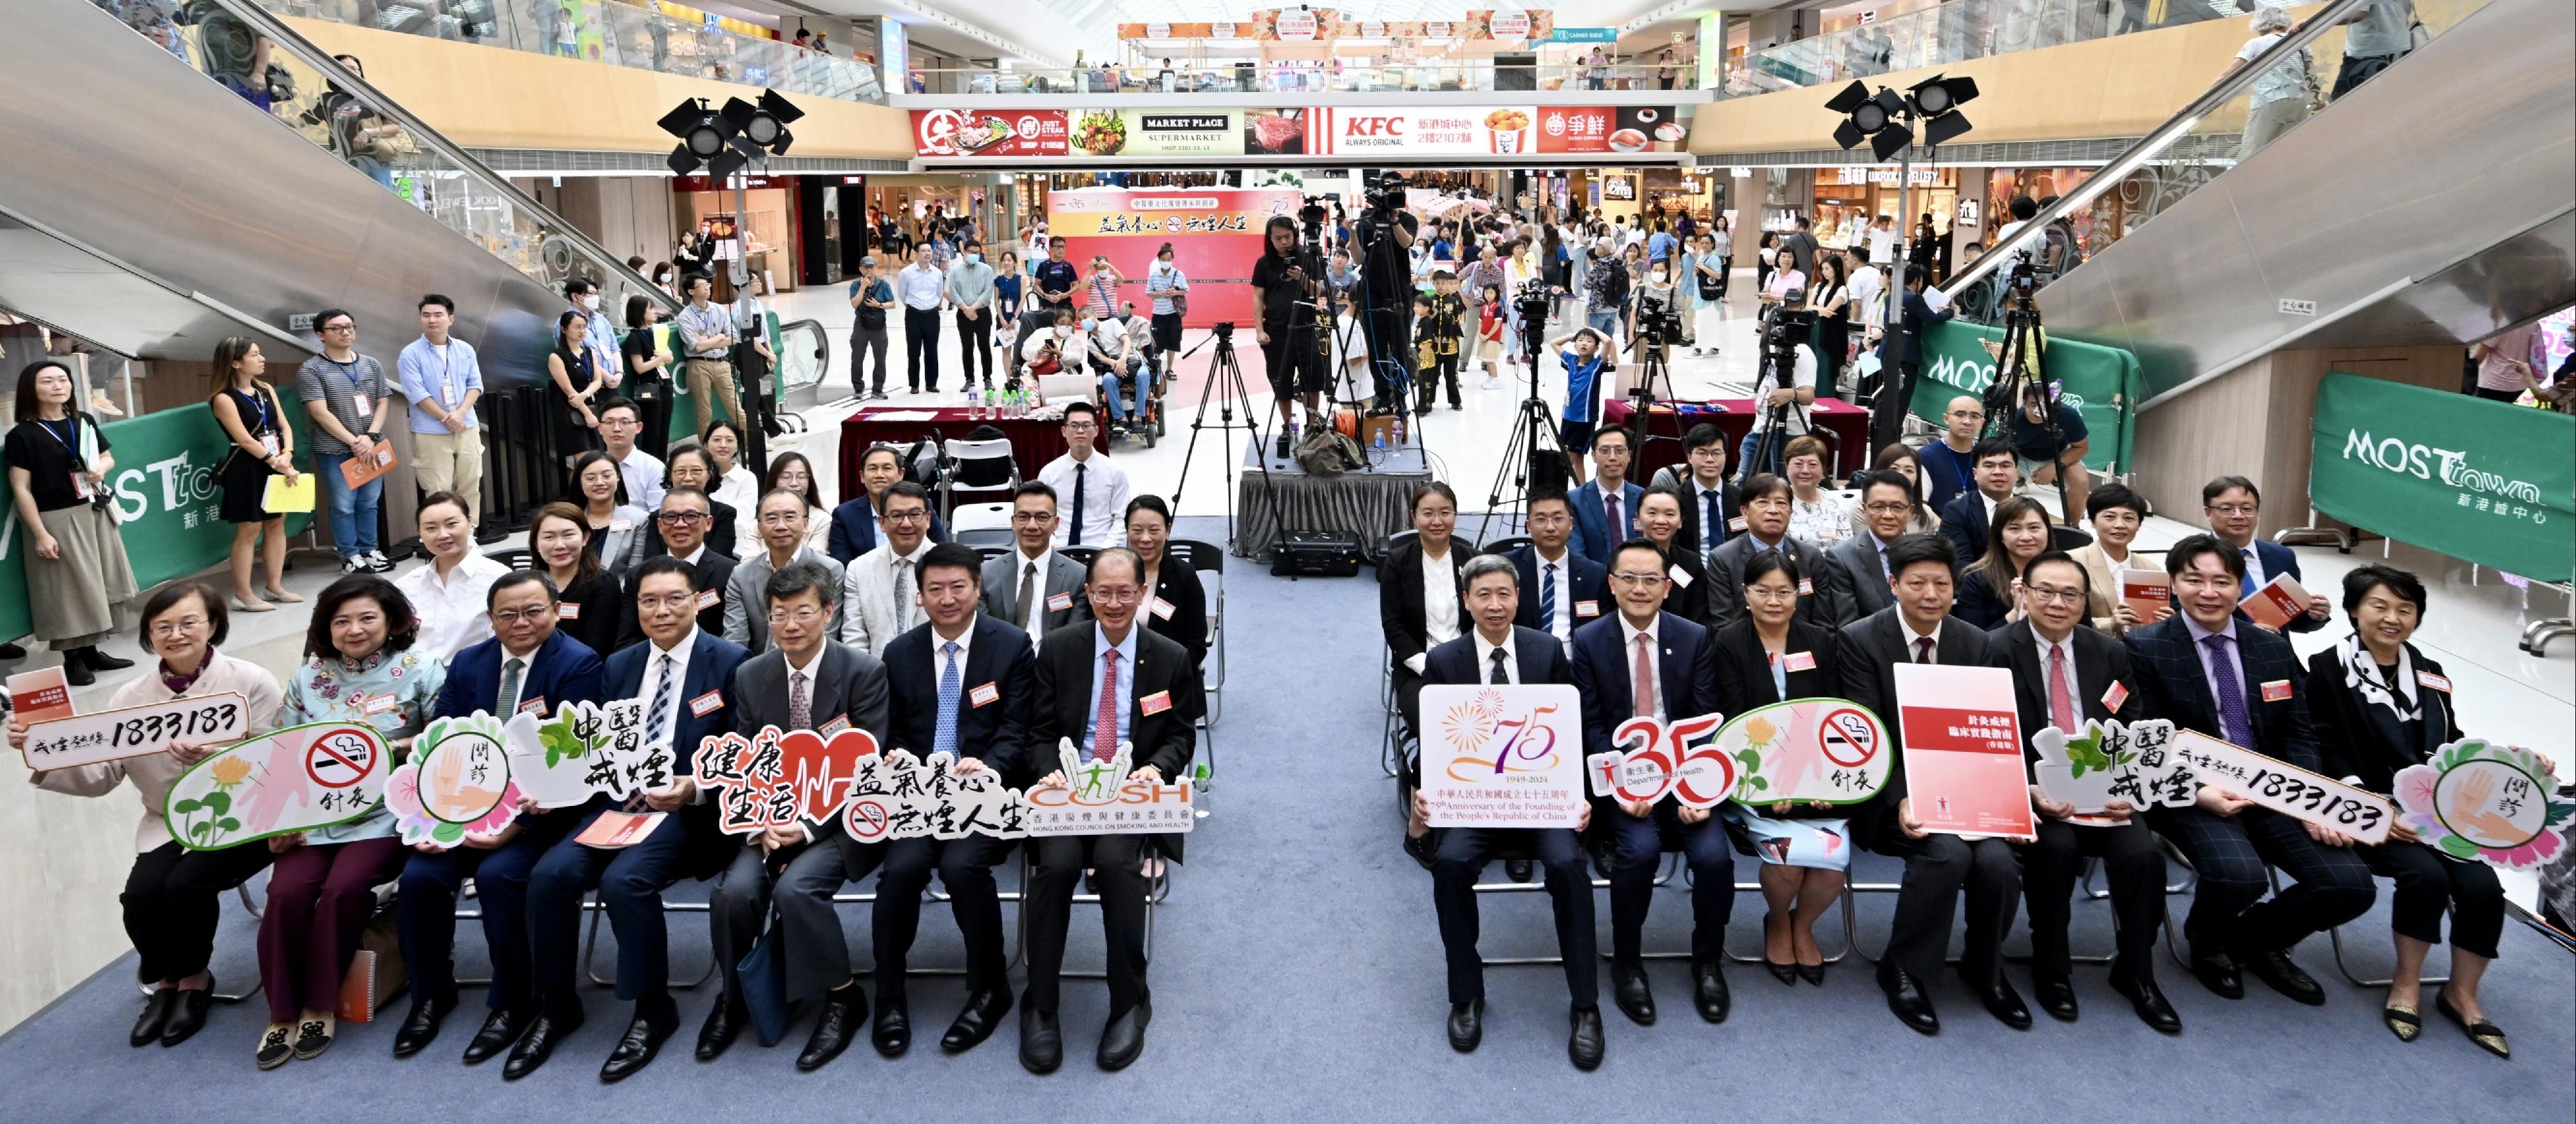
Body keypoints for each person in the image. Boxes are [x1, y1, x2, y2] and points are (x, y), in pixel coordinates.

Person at [12, 585, 277, 1048]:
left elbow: (278, 761)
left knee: (185, 885)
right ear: (149, 636)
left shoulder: (251, 681)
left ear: (213, 625)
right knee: (140, 897)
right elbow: (102, 776)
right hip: (169, 821)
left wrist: (218, 756)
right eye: (162, 627)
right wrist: (41, 750)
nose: (176, 634)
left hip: (246, 817)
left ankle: (192, 981)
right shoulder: (130, 697)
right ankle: (167, 980)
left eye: (188, 623)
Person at [518, 556, 750, 1081]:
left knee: (626, 883)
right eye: (649, 601)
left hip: (690, 814)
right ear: (636, 607)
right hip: (617, 804)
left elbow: (744, 752)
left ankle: (652, 1009)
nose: (661, 610)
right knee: (549, 878)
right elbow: (592, 749)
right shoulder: (620, 665)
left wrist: (695, 787)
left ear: (697, 602)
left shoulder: (733, 662)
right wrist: (554, 787)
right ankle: (557, 1005)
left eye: (674, 599)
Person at [2131, 534, 2376, 1007]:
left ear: (2239, 587)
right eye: (2194, 580)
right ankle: (2207, 940)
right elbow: (2148, 741)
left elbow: (2298, 734)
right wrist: (2201, 790)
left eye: (2222, 581)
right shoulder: (2146, 648)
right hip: (2194, 794)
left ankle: (2255, 938)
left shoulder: (2270, 648)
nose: (2208, 592)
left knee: (2351, 886)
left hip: (2272, 786)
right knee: (2240, 876)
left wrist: (2311, 799)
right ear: (2173, 586)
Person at [2306, 565, 2530, 1056]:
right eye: (2380, 606)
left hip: (2436, 811)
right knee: (2425, 877)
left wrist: (2507, 763)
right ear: (2354, 610)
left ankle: (2461, 993)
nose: (2393, 618)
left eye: (2405, 609)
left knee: (2483, 886)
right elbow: (2326, 746)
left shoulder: (2430, 671)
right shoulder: (2326, 668)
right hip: (2368, 808)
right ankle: (2406, 984)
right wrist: (2377, 809)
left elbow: (2450, 742)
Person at [393, 570, 607, 1067]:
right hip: (466, 806)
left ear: (556, 611)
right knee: (420, 878)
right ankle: (431, 994)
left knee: (497, 877)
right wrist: (434, 821)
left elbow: (572, 762)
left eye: (534, 610)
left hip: (542, 814)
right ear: (490, 619)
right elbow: (441, 742)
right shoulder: (470, 662)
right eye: (507, 614)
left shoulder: (578, 664)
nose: (521, 622)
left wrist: (515, 827)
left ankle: (513, 1002)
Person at [699, 561, 891, 1071]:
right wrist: (761, 820)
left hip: (840, 821)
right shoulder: (751, 675)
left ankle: (843, 997)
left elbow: (864, 773)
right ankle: (733, 997)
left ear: (827, 613)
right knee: (734, 895)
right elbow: (745, 762)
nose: (790, 625)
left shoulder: (863, 673)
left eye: (803, 612)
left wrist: (806, 828)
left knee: (795, 890)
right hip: (767, 821)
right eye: (779, 614)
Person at [1020, 548, 1204, 1074]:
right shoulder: (1058, 649)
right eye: (1104, 592)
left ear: (1142, 593)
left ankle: (1129, 1001)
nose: (1115, 602)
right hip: (1067, 790)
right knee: (1053, 868)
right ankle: (1041, 1003)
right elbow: (1037, 733)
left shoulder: (1169, 656)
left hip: (1127, 794)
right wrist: (1046, 773)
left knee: (1120, 868)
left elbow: (1179, 735)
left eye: (1126, 592)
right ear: (1088, 594)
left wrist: (1158, 769)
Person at [1412, 554, 1600, 1067]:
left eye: (1504, 594)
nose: (1495, 605)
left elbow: (1570, 732)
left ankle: (1586, 1004)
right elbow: (1433, 744)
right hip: (1475, 803)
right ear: (1466, 601)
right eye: (1483, 595)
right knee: (1449, 865)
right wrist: (1425, 795)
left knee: (1568, 865)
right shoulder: (1446, 660)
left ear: (1519, 599)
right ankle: (1466, 993)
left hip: (1540, 800)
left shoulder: (1546, 651)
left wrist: (1579, 794)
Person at [254, 575, 444, 1067]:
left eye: (367, 618)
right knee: (285, 893)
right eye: (341, 621)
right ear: (326, 627)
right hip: (314, 816)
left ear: (392, 621)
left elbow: (442, 744)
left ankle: (320, 1004)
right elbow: (282, 754)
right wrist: (280, 822)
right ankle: (281, 1012)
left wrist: (390, 748)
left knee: (343, 890)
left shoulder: (421, 669)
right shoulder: (307, 678)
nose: (354, 629)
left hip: (388, 812)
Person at [1836, 533, 2021, 1034]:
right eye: (1917, 583)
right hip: (1889, 792)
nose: (1930, 594)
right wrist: (1901, 798)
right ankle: (1905, 969)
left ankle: (1987, 970)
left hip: (1964, 791)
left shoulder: (1974, 642)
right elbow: (1867, 734)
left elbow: (1988, 731)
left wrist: (2002, 804)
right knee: (1947, 855)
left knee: (2000, 863)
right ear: (1894, 585)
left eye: (1941, 583)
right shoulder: (1859, 639)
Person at [1995, 550, 2181, 1032]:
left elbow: (2134, 725)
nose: (2058, 603)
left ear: (2085, 600)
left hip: (2107, 792)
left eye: (2070, 594)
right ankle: (2052, 968)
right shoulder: (1993, 649)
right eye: (2046, 592)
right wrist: (2028, 790)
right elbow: (1986, 737)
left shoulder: (2110, 652)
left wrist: (2131, 789)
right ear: (2025, 593)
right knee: (2054, 852)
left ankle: (2137, 971)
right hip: (2037, 792)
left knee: (2143, 857)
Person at [867, 543, 1039, 1058]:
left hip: (984, 792)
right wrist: (895, 756)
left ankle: (990, 989)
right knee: (901, 869)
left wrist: (990, 766)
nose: (947, 599)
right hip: (918, 796)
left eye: (958, 587)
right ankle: (889, 994)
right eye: (935, 589)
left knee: (965, 867)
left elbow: (1017, 729)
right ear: (919, 597)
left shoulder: (1010, 646)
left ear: (978, 589)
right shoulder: (900, 652)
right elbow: (891, 730)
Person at [1573, 538, 1730, 1029]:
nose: (1639, 589)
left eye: (1651, 580)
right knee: (1638, 853)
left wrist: (1696, 792)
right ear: (1612, 584)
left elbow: (1704, 722)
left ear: (1667, 588)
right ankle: (1627, 962)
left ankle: (1707, 960)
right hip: (1629, 782)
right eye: (1629, 579)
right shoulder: (1588, 640)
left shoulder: (1694, 637)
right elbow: (1592, 727)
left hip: (1685, 779)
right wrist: (1628, 785)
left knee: (1714, 857)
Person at [1711, 551, 1851, 986]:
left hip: (1817, 777)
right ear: (1745, 594)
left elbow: (1833, 715)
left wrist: (1819, 777)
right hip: (1755, 778)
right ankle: (1777, 920)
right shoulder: (1727, 642)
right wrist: (1776, 780)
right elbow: (1733, 722)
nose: (1774, 601)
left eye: (1784, 592)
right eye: (1763, 591)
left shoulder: (1821, 641)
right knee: (1789, 863)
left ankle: (1802, 924)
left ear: (1798, 594)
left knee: (1831, 867)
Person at [6, 360, 140, 685]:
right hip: (56, 518)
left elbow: (108, 456)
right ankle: (73, 658)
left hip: (94, 508)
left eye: (63, 379)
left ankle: (94, 652)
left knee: (100, 582)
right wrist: (40, 533)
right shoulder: (22, 435)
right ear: (31, 389)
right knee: (67, 590)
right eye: (48, 381)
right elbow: (21, 489)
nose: (58, 385)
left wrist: (101, 469)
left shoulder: (83, 421)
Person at [208, 337, 301, 613]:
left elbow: (284, 425)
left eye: (261, 354)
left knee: (277, 523)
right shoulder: (223, 398)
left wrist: (288, 454)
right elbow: (245, 441)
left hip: (277, 462)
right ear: (236, 363)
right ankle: (244, 594)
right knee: (249, 529)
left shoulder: (266, 389)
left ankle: (275, 586)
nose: (262, 359)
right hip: (247, 466)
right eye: (255, 355)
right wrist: (277, 462)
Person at [299, 308, 396, 574]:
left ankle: (370, 549)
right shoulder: (312, 369)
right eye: (337, 328)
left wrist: (371, 437)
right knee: (343, 505)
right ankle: (350, 556)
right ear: (321, 335)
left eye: (350, 327)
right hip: (335, 450)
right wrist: (355, 441)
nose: (346, 332)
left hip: (372, 445)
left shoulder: (370, 364)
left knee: (370, 502)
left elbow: (382, 401)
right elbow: (319, 412)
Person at [1381, 483, 1467, 742]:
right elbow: (1393, 626)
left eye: (1445, 512)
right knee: (1435, 724)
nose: (1437, 521)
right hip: (1418, 667)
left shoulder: (1473, 560)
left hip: (1469, 662)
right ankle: (1423, 778)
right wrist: (1428, 666)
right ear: (1413, 516)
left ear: (1455, 515)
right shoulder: (1397, 563)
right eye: (1428, 513)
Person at [1705, 473, 1842, 630]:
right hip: (1744, 648)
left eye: (1781, 503)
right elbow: (1723, 624)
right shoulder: (1723, 558)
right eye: (1763, 502)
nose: (1773, 510)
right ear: (1745, 512)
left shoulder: (1811, 556)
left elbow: (1824, 624)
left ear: (1791, 511)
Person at [2202, 475, 2332, 633]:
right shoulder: (2193, 557)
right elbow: (2183, 619)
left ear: (2258, 513)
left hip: (2274, 652)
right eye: (2227, 509)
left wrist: (2315, 616)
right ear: (2208, 513)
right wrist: (2247, 633)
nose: (2238, 515)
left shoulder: (2282, 557)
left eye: (2247, 509)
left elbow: (2293, 622)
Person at [724, 489, 844, 653]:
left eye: (790, 517)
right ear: (759, 528)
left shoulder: (831, 569)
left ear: (806, 524)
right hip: (757, 670)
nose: (781, 526)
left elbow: (828, 633)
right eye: (772, 518)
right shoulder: (741, 575)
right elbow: (735, 640)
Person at [401, 295, 486, 524]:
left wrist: (459, 414)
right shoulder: (410, 354)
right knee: (438, 490)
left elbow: (475, 385)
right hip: (430, 430)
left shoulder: (465, 349)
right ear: (420, 319)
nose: (432, 320)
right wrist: (446, 418)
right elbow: (416, 393)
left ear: (451, 319)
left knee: (470, 483)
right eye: (426, 315)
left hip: (466, 426)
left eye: (438, 315)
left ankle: (469, 534)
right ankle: (442, 537)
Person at [394, 491, 507, 660]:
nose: (442, 535)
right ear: (420, 533)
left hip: (473, 676)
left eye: (451, 524)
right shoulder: (406, 585)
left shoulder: (499, 578)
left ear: (470, 523)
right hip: (416, 677)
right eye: (431, 528)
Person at [1252, 216, 1329, 452]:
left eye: (1287, 237)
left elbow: (1318, 290)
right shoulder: (1264, 263)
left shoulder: (1308, 257)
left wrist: (1302, 277)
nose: (1284, 242)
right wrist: (1259, 330)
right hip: (1276, 331)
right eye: (1278, 238)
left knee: (1312, 380)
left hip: (1306, 328)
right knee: (1281, 381)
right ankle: (1288, 425)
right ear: (1270, 239)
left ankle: (1312, 426)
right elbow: (1258, 297)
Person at [836, 481, 936, 658]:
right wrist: (866, 677)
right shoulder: (859, 569)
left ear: (928, 519)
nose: (906, 524)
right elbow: (854, 634)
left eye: (914, 514)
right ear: (882, 522)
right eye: (896, 516)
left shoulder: (948, 566)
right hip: (878, 672)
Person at [1506, 490, 1608, 659]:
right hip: (1523, 663)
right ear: (1528, 525)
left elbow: (1602, 632)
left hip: (1576, 665)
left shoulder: (1595, 575)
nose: (1550, 527)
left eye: (1558, 518)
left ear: (1571, 523)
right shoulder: (1508, 569)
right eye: (1541, 519)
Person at [980, 482, 1088, 640]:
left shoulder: (1078, 577)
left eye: (1042, 517)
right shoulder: (986, 574)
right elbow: (985, 635)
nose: (1032, 526)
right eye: (1023, 517)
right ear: (1013, 522)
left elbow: (1072, 640)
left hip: (1054, 662)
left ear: (1056, 523)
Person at [632, 485, 735, 642]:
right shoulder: (638, 574)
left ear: (708, 523)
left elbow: (733, 635)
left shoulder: (731, 572)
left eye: (691, 516)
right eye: (671, 517)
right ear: (660, 525)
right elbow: (629, 638)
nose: (680, 524)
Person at [527, 501, 625, 658]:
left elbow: (598, 648)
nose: (559, 545)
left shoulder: (603, 584)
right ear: (536, 544)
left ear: (585, 538)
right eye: (549, 537)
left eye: (568, 535)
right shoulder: (528, 586)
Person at [1875, 267, 1958, 450]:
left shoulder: (1891, 296)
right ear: (1917, 280)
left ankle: (1878, 433)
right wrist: (1950, 312)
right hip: (1906, 353)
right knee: (1901, 397)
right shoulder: (1914, 298)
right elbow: (1934, 319)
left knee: (1888, 393)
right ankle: (1892, 438)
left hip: (1888, 350)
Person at [1737, 302, 1821, 482]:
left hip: (1788, 431)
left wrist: (1792, 394)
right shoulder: (1774, 349)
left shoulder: (1803, 354)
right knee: (1743, 484)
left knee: (1780, 486)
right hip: (1762, 426)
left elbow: (1809, 396)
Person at [1123, 496, 1207, 666]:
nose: (1146, 539)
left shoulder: (1184, 576)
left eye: (1154, 531)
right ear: (1126, 530)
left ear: (1167, 530)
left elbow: (1196, 645)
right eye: (1137, 531)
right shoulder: (1112, 571)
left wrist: (1168, 676)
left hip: (1169, 671)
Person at [2069, 482, 2160, 636]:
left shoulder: (2152, 570)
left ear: (2139, 525)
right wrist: (2110, 623)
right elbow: (2064, 617)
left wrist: (2166, 622)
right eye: (2110, 517)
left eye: (2129, 518)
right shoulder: (2071, 562)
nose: (2120, 525)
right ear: (2092, 521)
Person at [1826, 470, 1915, 621]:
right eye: (1878, 507)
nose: (1888, 515)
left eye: (1897, 507)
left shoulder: (1926, 554)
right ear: (1865, 509)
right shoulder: (1842, 558)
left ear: (1910, 511)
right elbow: (1848, 625)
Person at [2227, 6, 2313, 160]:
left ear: (2263, 23)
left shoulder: (2256, 43)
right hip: (2298, 103)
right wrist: (2317, 100)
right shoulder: (2301, 44)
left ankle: (2250, 184)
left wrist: (2197, 101)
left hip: (2268, 102)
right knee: (2287, 153)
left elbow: (2228, 74)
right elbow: (2311, 76)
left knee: (2251, 154)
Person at [1955, 496, 2052, 630]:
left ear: (2047, 531)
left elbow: (2082, 633)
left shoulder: (2068, 574)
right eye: (2014, 529)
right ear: (1999, 535)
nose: (2026, 537)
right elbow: (1974, 643)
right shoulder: (1976, 579)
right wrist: (2015, 613)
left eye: (2034, 528)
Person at [1648, 424, 1741, 561]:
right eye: (1702, 453)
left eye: (1716, 453)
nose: (1710, 459)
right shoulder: (1675, 499)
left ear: (1725, 457)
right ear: (1690, 457)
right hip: (1691, 573)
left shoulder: (1740, 497)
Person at [676, 274, 747, 435]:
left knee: (736, 407)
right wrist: (721, 336)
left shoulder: (719, 309)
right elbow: (698, 347)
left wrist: (712, 339)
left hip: (722, 363)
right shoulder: (685, 317)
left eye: (708, 284)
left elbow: (734, 338)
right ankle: (706, 450)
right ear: (691, 291)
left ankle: (750, 443)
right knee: (705, 412)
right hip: (699, 365)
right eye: (702, 285)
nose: (707, 287)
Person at [2011, 382, 2090, 520]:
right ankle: (2021, 480)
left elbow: (2082, 447)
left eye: (2045, 405)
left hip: (2057, 455)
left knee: (2081, 482)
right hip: (2022, 456)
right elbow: (2001, 450)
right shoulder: (2015, 420)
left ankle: (2073, 528)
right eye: (2033, 404)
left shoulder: (2069, 415)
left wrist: (2056, 467)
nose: (2039, 411)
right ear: (2024, 402)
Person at [1635, 485, 1712, 624]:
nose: (1661, 521)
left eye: (1670, 514)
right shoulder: (1622, 560)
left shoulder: (1691, 563)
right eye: (1652, 513)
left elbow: (1699, 614)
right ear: (1638, 518)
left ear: (1681, 521)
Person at [567, 451, 650, 577]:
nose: (600, 482)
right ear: (579, 481)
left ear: (618, 477)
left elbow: (634, 573)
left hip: (618, 594)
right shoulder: (567, 519)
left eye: (607, 476)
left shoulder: (639, 520)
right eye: (591, 478)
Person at [1939, 437, 2021, 565]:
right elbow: (1959, 563)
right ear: (1975, 474)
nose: (1998, 472)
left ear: (2017, 473)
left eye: (2005, 466)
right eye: (1989, 466)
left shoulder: (2031, 509)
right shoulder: (1957, 510)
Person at [652, 444, 738, 560]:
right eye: (681, 471)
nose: (688, 478)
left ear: (710, 474)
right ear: (670, 475)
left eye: (696, 471)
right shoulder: (656, 517)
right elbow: (651, 563)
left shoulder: (724, 514)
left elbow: (719, 561)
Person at [619, 295, 676, 463]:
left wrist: (666, 356)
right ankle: (652, 466)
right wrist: (660, 359)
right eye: (650, 309)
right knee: (652, 430)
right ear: (640, 312)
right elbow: (640, 367)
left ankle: (662, 466)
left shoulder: (656, 331)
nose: (654, 312)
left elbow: (669, 357)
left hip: (665, 383)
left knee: (664, 429)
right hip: (647, 387)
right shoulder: (634, 338)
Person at [545, 309, 607, 462]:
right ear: (564, 329)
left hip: (590, 404)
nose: (582, 331)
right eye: (577, 327)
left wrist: (585, 395)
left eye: (584, 327)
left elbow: (597, 380)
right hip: (571, 412)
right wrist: (587, 414)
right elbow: (569, 392)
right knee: (583, 461)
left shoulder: (589, 352)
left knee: (597, 458)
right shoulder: (557, 357)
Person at [2332, 0, 2416, 100]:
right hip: (2400, 46)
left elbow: (2359, 14)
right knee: (2395, 99)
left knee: (2342, 102)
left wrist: (2326, 20)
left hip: (2367, 54)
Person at [596, 396, 667, 513]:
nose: (617, 429)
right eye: (609, 422)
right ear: (600, 428)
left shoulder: (654, 468)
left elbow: (658, 513)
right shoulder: (592, 466)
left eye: (625, 422)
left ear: (638, 428)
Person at [1085, 303, 1148, 429]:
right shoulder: (1091, 343)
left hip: (1132, 361)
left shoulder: (1113, 323)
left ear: (1095, 315)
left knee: (1144, 375)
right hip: (1114, 367)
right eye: (1080, 319)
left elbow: (1127, 340)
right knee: (1108, 380)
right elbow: (1102, 358)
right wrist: (1116, 364)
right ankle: (1120, 418)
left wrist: (1123, 360)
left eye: (1086, 316)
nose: (1083, 321)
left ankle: (1138, 416)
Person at [1916, 397, 1983, 513]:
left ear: (1982, 423)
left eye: (1974, 416)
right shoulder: (1926, 457)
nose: (1967, 421)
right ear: (1946, 419)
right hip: (1938, 528)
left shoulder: (1986, 457)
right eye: (1960, 415)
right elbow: (1921, 506)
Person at [948, 238, 999, 392]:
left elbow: (987, 293)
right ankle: (969, 379)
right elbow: (953, 293)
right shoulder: (956, 271)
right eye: (971, 252)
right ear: (965, 252)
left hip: (983, 314)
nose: (974, 255)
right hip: (963, 315)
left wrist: (973, 309)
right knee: (967, 347)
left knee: (984, 347)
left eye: (977, 253)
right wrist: (966, 310)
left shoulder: (987, 270)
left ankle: (988, 378)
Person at [1781, 436, 1848, 549]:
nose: (1805, 471)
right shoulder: (1778, 501)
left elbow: (1847, 547)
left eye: (1813, 465)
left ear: (1823, 470)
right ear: (1787, 468)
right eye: (1798, 464)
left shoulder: (1835, 503)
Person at [699, 420, 759, 545]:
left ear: (737, 446)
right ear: (706, 445)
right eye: (717, 440)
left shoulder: (747, 478)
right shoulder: (696, 476)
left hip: (736, 547)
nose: (723, 445)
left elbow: (741, 521)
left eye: (730, 440)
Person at [762, 452, 832, 556]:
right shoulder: (760, 521)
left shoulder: (822, 520)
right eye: (786, 477)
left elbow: (814, 561)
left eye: (801, 477)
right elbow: (749, 563)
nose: (794, 483)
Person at [847, 255, 894, 400]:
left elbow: (892, 304)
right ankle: (858, 388)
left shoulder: (883, 284)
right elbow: (854, 304)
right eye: (866, 267)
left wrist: (878, 305)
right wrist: (863, 287)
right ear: (861, 269)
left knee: (880, 357)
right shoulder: (855, 285)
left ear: (876, 268)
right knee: (857, 357)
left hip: (879, 323)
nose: (869, 270)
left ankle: (878, 389)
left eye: (871, 267)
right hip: (861, 323)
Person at [1144, 242, 1188, 366]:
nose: (1166, 262)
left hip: (1174, 314)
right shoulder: (1154, 275)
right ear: (1159, 260)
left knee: (1173, 342)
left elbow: (1186, 290)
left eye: (1169, 259)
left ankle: (1169, 369)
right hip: (1158, 314)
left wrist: (1175, 292)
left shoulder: (1179, 274)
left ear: (1172, 259)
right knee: (1157, 343)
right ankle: (1156, 368)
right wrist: (1163, 293)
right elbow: (1148, 293)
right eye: (1164, 260)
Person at [1690, 232, 1730, 357]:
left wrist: (1703, 267)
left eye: (1707, 243)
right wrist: (1698, 269)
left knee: (1703, 323)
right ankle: (1714, 348)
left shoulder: (1714, 258)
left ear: (1713, 244)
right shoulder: (1702, 256)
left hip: (1709, 297)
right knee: (1708, 323)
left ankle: (1698, 350)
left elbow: (1718, 275)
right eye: (1702, 243)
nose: (1704, 245)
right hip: (1703, 293)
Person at [1781, 215, 1821, 281]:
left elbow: (1785, 253)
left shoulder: (1792, 239)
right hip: (1808, 269)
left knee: (1793, 289)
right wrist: (1821, 269)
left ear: (1798, 225)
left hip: (1795, 269)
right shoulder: (1813, 239)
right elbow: (1819, 255)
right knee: (1804, 289)